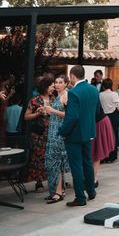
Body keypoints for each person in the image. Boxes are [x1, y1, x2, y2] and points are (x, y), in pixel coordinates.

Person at [58, 65, 99, 207]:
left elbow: (72, 117)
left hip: (74, 135)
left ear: (73, 76)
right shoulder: (94, 90)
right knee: (87, 162)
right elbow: (97, 111)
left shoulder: (74, 93)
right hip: (88, 132)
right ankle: (91, 191)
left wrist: (62, 131)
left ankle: (80, 197)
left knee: (76, 166)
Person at [24, 75, 54, 192]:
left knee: (52, 156)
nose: (53, 88)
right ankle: (39, 182)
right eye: (51, 86)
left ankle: (56, 180)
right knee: (39, 157)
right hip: (39, 134)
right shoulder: (35, 100)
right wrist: (37, 113)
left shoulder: (54, 98)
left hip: (52, 132)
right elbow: (26, 116)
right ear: (45, 87)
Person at [44, 74, 70, 204]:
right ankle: (59, 190)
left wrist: (52, 111)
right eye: (56, 82)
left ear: (66, 84)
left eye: (60, 82)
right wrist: (48, 111)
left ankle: (58, 192)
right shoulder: (57, 96)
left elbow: (69, 115)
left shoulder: (66, 96)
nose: (57, 84)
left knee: (55, 161)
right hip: (53, 130)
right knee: (53, 160)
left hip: (60, 132)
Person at [92, 97, 115, 188]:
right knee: (93, 152)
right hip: (95, 122)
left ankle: (93, 179)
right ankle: (92, 178)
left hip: (99, 123)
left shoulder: (90, 92)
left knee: (96, 152)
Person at [99, 78, 119, 163]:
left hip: (103, 116)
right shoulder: (114, 94)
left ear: (103, 86)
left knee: (104, 136)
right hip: (113, 116)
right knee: (113, 135)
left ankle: (104, 156)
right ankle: (112, 156)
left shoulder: (100, 94)